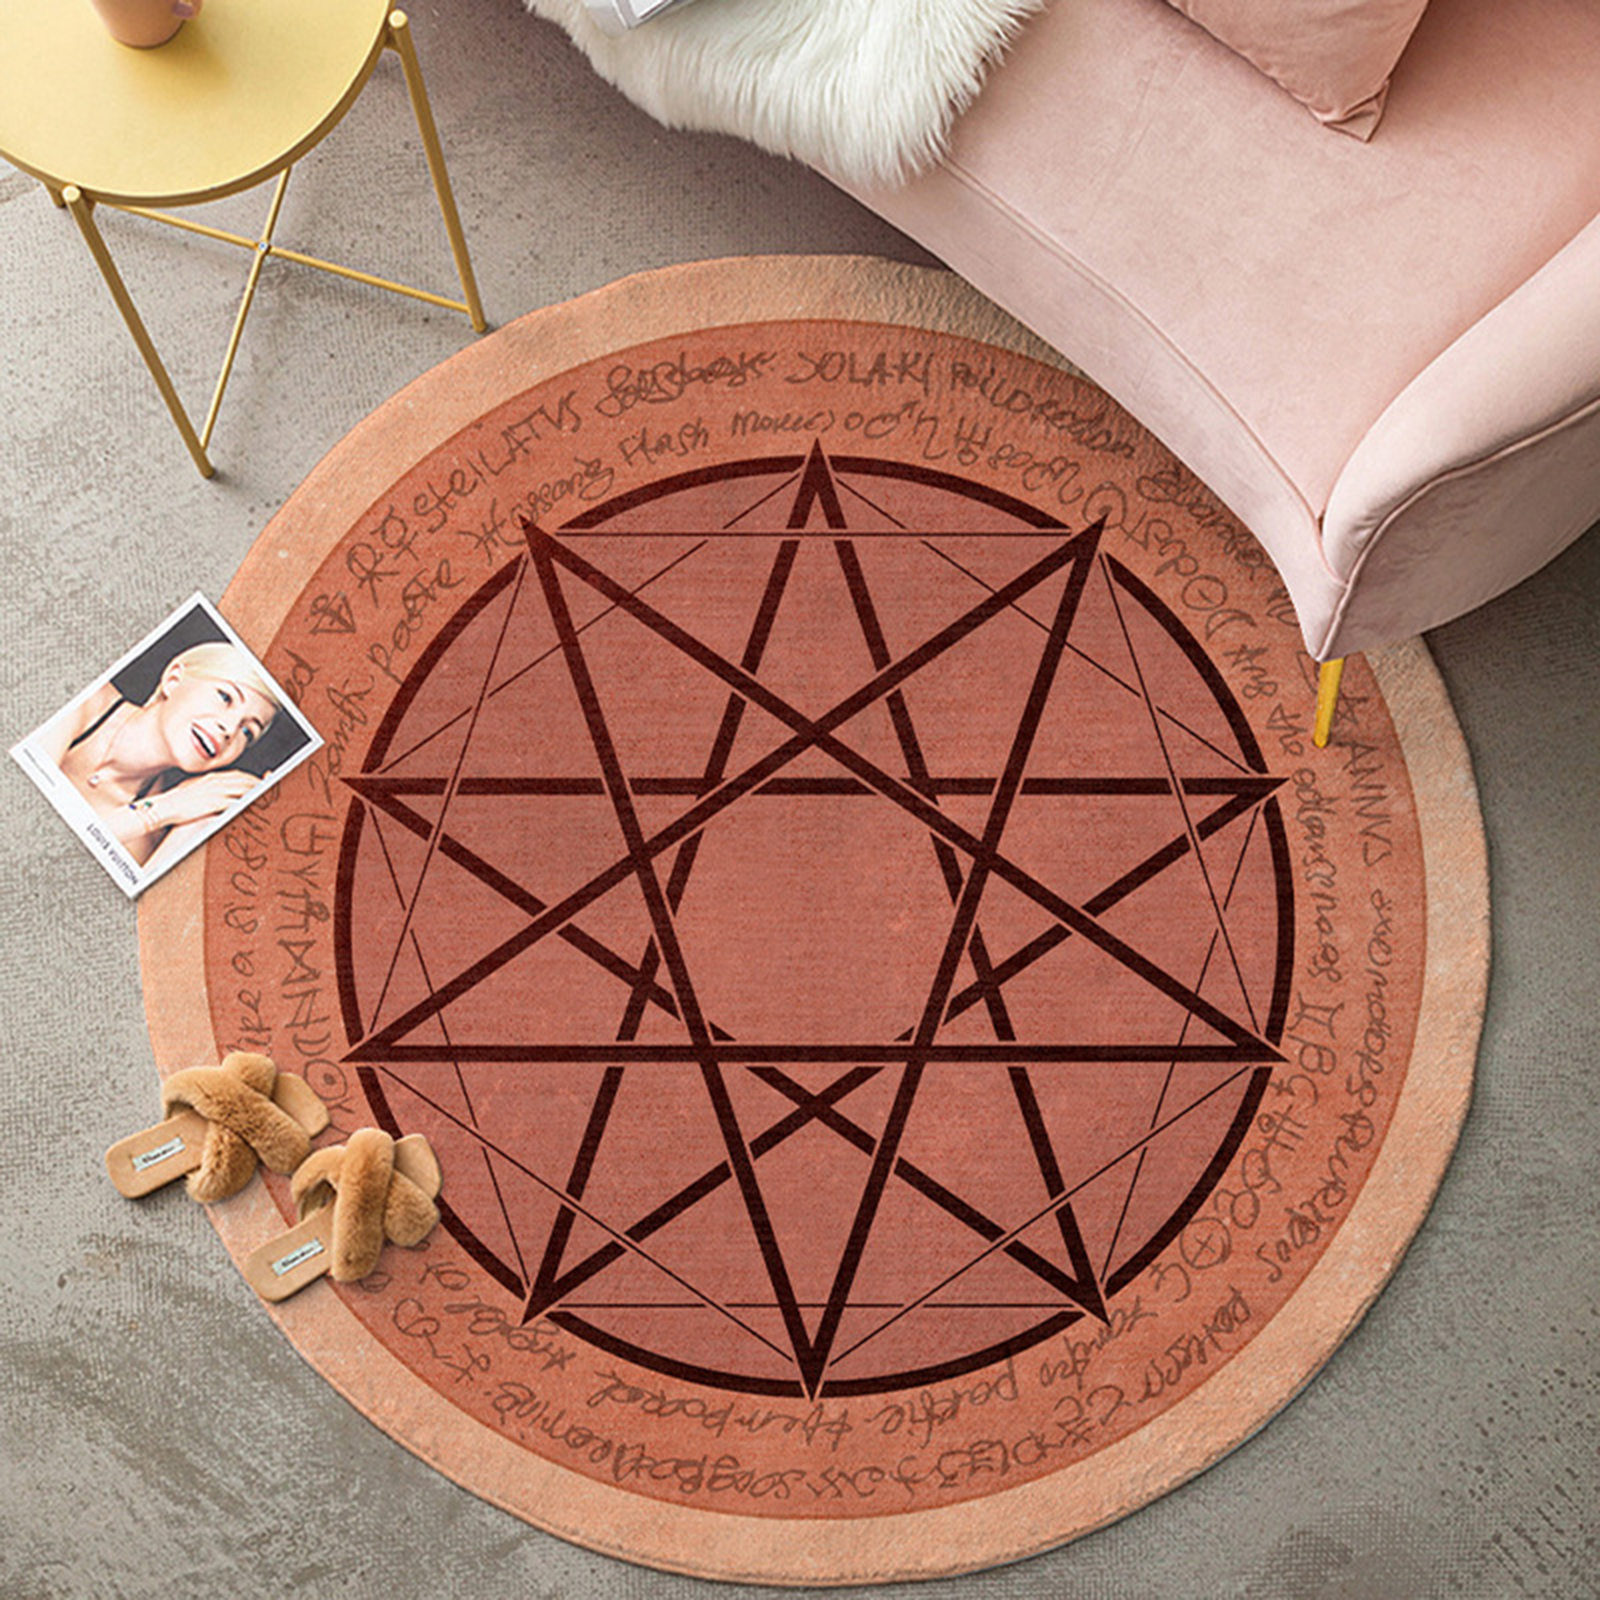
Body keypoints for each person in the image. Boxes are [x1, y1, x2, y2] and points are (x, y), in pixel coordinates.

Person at [40, 641, 282, 872]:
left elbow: (57, 875)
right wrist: (164, 808)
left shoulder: (151, 837)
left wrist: (199, 825)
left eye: (248, 732)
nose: (229, 728)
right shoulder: (81, 698)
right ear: (173, 680)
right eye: (225, 697)